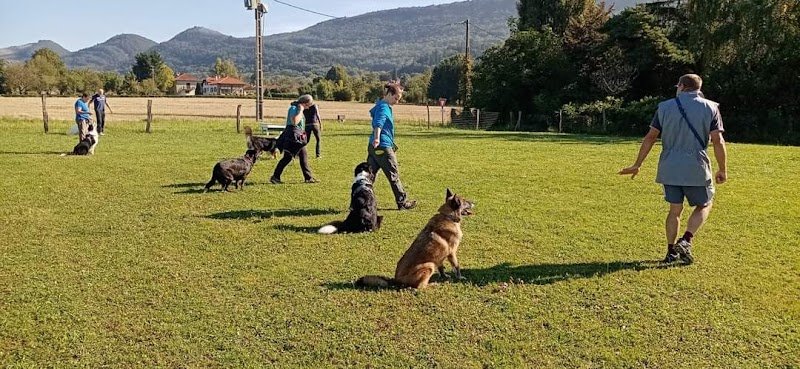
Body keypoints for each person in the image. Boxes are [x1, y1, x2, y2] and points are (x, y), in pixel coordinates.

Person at [619, 74, 728, 264]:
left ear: (681, 87)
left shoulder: (664, 107)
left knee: (674, 210)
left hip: (669, 166)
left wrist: (637, 164)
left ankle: (671, 252)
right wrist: (722, 169)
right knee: (705, 204)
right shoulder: (711, 107)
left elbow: (650, 137)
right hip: (696, 166)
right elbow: (718, 140)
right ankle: (686, 240)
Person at [367, 83, 417, 210]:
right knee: (393, 174)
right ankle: (402, 202)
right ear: (389, 94)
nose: (397, 102)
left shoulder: (380, 104)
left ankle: (360, 201)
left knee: (368, 176)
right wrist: (378, 138)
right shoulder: (384, 107)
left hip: (373, 147)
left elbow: (372, 113)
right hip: (382, 146)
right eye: (396, 98)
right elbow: (379, 123)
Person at [270, 94, 318, 184]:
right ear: (304, 103)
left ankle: (308, 178)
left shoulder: (298, 108)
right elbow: (294, 121)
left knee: (303, 156)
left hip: (298, 137)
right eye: (308, 105)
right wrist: (300, 110)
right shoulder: (294, 108)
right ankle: (275, 177)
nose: (308, 108)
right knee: (287, 158)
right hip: (292, 137)